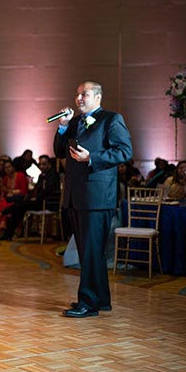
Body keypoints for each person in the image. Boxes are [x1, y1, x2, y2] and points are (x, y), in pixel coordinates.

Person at [54, 80, 132, 318]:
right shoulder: (75, 121)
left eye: (84, 94)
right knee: (91, 252)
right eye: (77, 94)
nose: (79, 98)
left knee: (89, 252)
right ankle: (101, 299)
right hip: (76, 196)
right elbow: (59, 152)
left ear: (97, 97)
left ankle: (87, 303)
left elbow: (125, 151)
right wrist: (63, 127)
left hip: (97, 197)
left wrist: (92, 157)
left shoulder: (111, 119)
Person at [0, 155, 60, 241]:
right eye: (40, 164)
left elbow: (48, 190)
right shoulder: (42, 175)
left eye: (44, 164)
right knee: (19, 207)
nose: (41, 166)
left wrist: (36, 198)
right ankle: (8, 233)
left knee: (19, 206)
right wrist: (31, 197)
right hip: (40, 201)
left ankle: (5, 212)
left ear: (49, 165)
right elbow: (36, 189)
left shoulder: (53, 175)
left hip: (47, 203)